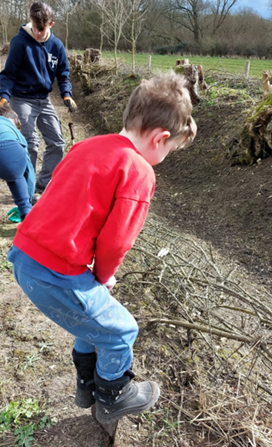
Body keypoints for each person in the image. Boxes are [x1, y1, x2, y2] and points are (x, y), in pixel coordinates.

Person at [7, 72, 196, 424]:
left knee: (91, 324)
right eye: (169, 150)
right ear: (160, 138)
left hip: (25, 255)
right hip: (56, 272)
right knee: (122, 330)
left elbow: (59, 198)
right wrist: (104, 277)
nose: (165, 157)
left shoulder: (88, 146)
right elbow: (116, 241)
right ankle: (113, 395)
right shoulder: (138, 170)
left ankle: (85, 385)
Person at [0, 1, 76, 195]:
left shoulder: (56, 46)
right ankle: (26, 188)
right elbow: (8, 74)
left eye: (41, 29)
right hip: (22, 98)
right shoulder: (20, 42)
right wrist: (3, 96)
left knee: (57, 142)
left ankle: (42, 184)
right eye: (34, 28)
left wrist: (66, 94)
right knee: (30, 142)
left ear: (51, 24)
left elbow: (63, 74)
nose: (37, 33)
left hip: (44, 98)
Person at [0, 104, 35, 222]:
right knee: (16, 177)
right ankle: (25, 213)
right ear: (13, 121)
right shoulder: (15, 132)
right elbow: (28, 171)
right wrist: (28, 200)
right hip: (10, 151)